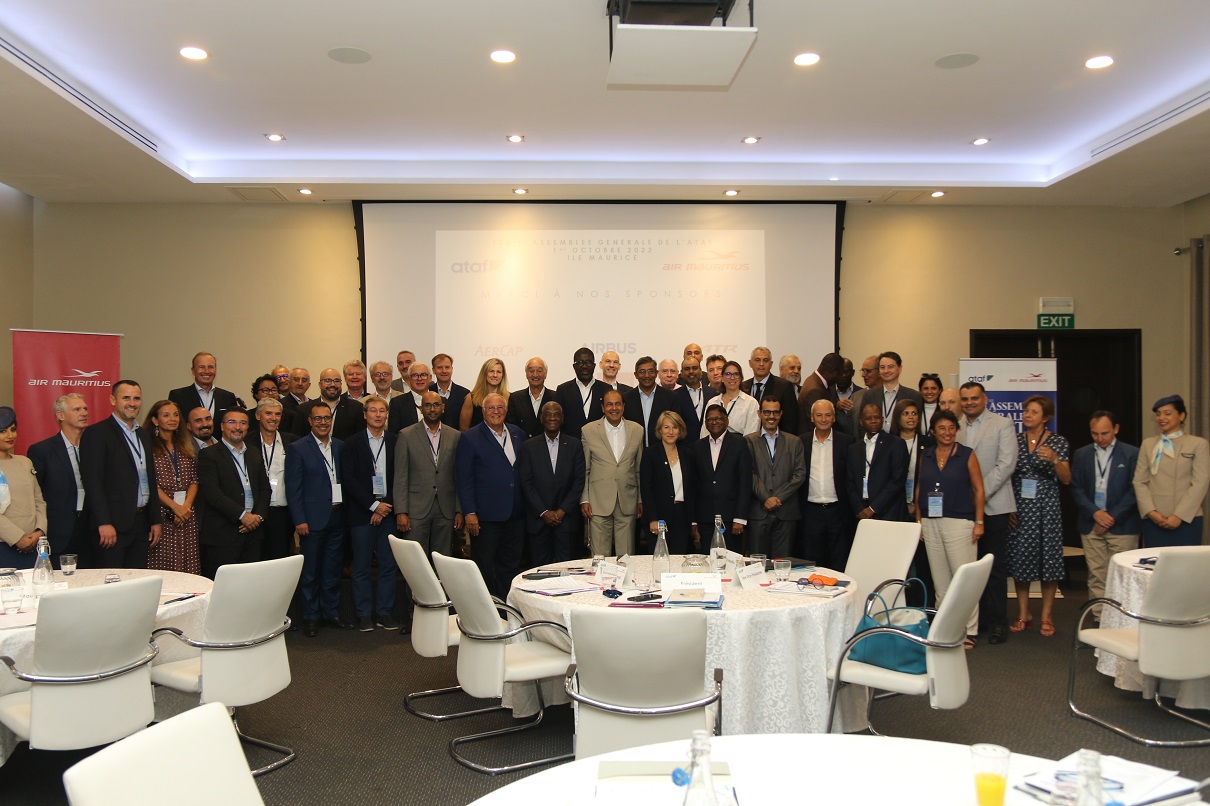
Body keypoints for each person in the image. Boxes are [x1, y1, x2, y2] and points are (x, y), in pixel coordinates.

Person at [916, 409, 985, 649]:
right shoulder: (926, 455)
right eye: (942, 428)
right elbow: (919, 486)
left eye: (951, 428)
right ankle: (945, 629)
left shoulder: (967, 454)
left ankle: (970, 630)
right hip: (930, 523)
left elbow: (978, 489)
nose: (947, 432)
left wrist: (979, 522)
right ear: (933, 431)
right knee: (941, 582)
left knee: (963, 579)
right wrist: (918, 520)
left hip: (960, 523)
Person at [957, 381, 1017, 645]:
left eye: (974, 398)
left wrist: (979, 493)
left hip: (994, 506)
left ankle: (998, 622)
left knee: (994, 568)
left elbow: (1006, 464)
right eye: (965, 399)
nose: (969, 403)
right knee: (970, 567)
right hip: (963, 508)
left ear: (985, 399)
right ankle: (976, 620)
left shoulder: (1002, 424)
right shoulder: (955, 426)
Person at [286, 401, 352, 637]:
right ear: (310, 421)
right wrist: (299, 520)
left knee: (332, 569)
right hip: (311, 520)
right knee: (311, 571)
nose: (323, 422)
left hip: (338, 516)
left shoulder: (341, 446)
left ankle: (330, 613)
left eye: (327, 418)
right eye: (318, 418)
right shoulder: (298, 448)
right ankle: (311, 616)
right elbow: (293, 488)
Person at [1007, 395, 1070, 637]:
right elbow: (1008, 476)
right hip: (1020, 507)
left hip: (1047, 508)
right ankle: (1024, 613)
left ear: (1046, 417)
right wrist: (1010, 507)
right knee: (1021, 560)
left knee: (1049, 561)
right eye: (1026, 411)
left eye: (1033, 412)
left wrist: (1055, 460)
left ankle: (1047, 615)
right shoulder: (1015, 440)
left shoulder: (1058, 442)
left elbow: (1066, 478)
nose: (1027, 415)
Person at [1070, 410, 1140, 619]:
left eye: (1105, 433)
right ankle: (1100, 619)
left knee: (1123, 576)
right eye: (1095, 434)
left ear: (1116, 429)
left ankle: (1122, 620)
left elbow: (1135, 489)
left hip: (1123, 525)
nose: (1100, 438)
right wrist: (1096, 513)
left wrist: (1111, 517)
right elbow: (1076, 487)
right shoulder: (1082, 454)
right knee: (1097, 575)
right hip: (1091, 524)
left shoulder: (1132, 453)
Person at [456, 393, 527, 597]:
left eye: (499, 408)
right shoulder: (470, 437)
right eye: (491, 408)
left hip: (516, 514)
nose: (496, 412)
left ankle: (506, 607)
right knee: (484, 567)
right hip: (485, 517)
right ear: (483, 412)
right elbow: (464, 479)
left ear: (506, 410)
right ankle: (486, 609)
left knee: (510, 566)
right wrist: (470, 512)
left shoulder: (518, 434)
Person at [342, 397, 399, 631]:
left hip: (389, 512)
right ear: (365, 415)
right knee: (362, 566)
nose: (377, 415)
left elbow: (401, 477)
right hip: (361, 513)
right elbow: (349, 480)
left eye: (382, 411)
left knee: (388, 565)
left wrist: (385, 506)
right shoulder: (351, 443)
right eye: (373, 410)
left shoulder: (395, 441)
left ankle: (384, 612)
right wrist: (373, 506)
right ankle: (364, 614)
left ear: (386, 415)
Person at [197, 407, 269, 579]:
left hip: (253, 533)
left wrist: (257, 517)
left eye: (243, 423)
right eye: (232, 422)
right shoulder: (208, 455)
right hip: (223, 535)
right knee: (223, 586)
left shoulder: (254, 452)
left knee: (250, 584)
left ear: (248, 427)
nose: (237, 427)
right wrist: (242, 516)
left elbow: (265, 489)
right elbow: (213, 494)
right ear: (222, 426)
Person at [1134, 394, 1210, 548]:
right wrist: (1151, 512)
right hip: (1154, 520)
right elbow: (1139, 482)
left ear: (1181, 416)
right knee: (1154, 562)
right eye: (1158, 414)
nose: (1161, 418)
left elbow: (1200, 483)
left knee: (1186, 562)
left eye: (1167, 413)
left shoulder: (1197, 444)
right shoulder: (1148, 444)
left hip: (1188, 518)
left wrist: (1179, 516)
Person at [394, 391, 463, 561]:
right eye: (427, 405)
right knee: (415, 561)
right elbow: (400, 476)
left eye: (436, 405)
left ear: (443, 408)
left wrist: (459, 509)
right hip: (416, 509)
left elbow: (459, 476)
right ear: (420, 408)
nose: (432, 409)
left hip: (446, 508)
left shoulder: (455, 436)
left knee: (443, 560)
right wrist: (401, 511)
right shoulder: (406, 435)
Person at [519, 402, 585, 565]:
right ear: (541, 418)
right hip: (538, 520)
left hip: (566, 520)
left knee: (567, 569)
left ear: (562, 418)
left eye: (556, 414)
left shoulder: (575, 445)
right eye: (548, 414)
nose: (552, 418)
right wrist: (543, 511)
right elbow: (526, 483)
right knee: (540, 570)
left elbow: (579, 481)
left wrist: (562, 510)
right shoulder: (528, 446)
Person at [27, 393, 90, 566]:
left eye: (85, 408)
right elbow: (36, 495)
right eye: (77, 409)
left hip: (91, 531)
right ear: (60, 415)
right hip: (59, 532)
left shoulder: (95, 447)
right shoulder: (42, 451)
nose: (84, 413)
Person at [581, 389, 644, 556]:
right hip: (598, 501)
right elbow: (585, 469)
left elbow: (638, 469)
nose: (614, 408)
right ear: (603, 408)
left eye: (618, 404)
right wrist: (585, 499)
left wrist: (640, 499)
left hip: (628, 500)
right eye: (609, 404)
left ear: (623, 406)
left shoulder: (637, 430)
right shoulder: (588, 430)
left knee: (626, 558)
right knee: (600, 558)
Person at [144, 400, 200, 574]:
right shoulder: (147, 446)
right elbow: (150, 483)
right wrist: (175, 507)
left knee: (188, 567)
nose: (172, 419)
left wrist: (185, 507)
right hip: (162, 514)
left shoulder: (185, 444)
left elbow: (194, 480)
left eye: (176, 415)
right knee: (163, 566)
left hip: (186, 515)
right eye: (166, 415)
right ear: (155, 420)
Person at [745, 399, 806, 558]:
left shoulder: (794, 442)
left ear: (781, 414)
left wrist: (777, 498)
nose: (771, 416)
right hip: (759, 512)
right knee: (757, 565)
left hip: (786, 512)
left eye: (775, 412)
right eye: (767, 412)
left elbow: (799, 474)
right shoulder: (748, 441)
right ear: (759, 414)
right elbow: (748, 473)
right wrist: (766, 498)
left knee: (782, 564)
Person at [800, 399, 854, 569]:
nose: (823, 419)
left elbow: (851, 477)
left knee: (839, 559)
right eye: (819, 415)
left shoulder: (847, 442)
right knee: (811, 560)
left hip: (838, 511)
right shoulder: (801, 442)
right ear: (812, 418)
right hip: (810, 511)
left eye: (828, 415)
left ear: (834, 418)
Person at [693, 403, 752, 553]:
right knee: (708, 559)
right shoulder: (698, 446)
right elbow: (694, 484)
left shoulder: (739, 443)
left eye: (718, 418)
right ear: (705, 423)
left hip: (731, 518)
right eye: (710, 419)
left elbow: (745, 482)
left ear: (726, 421)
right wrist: (694, 520)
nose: (714, 422)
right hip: (705, 518)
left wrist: (740, 518)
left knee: (732, 561)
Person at [640, 411, 696, 554]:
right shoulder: (650, 454)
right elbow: (646, 489)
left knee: (679, 558)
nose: (671, 432)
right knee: (660, 559)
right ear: (659, 430)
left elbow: (692, 488)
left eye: (675, 427)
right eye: (666, 427)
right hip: (658, 517)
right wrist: (653, 518)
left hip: (682, 516)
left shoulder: (688, 454)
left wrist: (693, 520)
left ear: (680, 430)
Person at [0, 406, 48, 569]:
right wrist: (17, 538)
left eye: (13, 430)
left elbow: (39, 501)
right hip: (4, 546)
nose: (10, 435)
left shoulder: (24, 462)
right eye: (3, 431)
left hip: (34, 544)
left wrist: (39, 531)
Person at [846, 402, 909, 523]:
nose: (873, 421)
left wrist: (873, 509)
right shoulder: (854, 448)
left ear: (882, 419)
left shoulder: (896, 444)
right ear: (861, 422)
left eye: (877, 417)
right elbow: (850, 482)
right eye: (868, 418)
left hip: (889, 512)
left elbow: (897, 480)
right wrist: (859, 509)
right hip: (862, 513)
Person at [254, 396, 297, 562]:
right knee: (257, 559)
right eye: (268, 413)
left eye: (277, 414)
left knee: (280, 559)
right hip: (256, 512)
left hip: (283, 512)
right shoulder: (247, 442)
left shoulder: (293, 442)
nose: (273, 418)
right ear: (258, 416)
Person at [742, 346, 800, 436]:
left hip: (775, 440)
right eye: (757, 360)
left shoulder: (784, 386)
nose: (761, 364)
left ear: (771, 364)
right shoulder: (743, 387)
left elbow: (791, 422)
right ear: (750, 363)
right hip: (747, 440)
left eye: (765, 360)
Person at [294, 368, 364, 441]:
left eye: (336, 381)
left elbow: (360, 439)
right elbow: (297, 441)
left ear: (341, 384)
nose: (333, 384)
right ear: (320, 384)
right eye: (328, 380)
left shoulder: (356, 408)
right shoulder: (303, 410)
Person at [623, 356, 677, 447]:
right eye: (642, 372)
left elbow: (676, 426)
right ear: (635, 375)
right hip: (635, 451)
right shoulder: (626, 398)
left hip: (662, 450)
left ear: (656, 373)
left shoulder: (671, 397)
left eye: (650, 371)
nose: (647, 375)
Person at [557, 347, 611, 438]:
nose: (584, 366)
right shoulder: (563, 390)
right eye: (580, 363)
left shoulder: (606, 389)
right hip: (571, 443)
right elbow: (559, 421)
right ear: (574, 366)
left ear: (594, 366)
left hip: (600, 442)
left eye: (588, 362)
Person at [168, 352, 239, 421]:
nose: (206, 371)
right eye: (201, 367)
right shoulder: (178, 396)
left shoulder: (228, 398)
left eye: (210, 367)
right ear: (193, 371)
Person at [796, 352, 844, 437]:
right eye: (839, 374)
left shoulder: (814, 380)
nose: (840, 378)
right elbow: (819, 423)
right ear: (833, 371)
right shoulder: (815, 390)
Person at [507, 356, 557, 438]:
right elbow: (511, 427)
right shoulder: (515, 398)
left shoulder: (556, 397)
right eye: (531, 371)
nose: (535, 374)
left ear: (545, 374)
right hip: (523, 444)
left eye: (539, 371)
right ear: (526, 374)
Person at [708, 360, 759, 438]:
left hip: (741, 444)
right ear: (722, 378)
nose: (732, 378)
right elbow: (705, 432)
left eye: (736, 374)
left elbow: (752, 435)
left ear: (741, 378)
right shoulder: (712, 402)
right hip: (714, 444)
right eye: (728, 374)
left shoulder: (751, 403)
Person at [674, 356, 718, 439]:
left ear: (701, 371)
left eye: (694, 368)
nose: (691, 371)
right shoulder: (674, 396)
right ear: (681, 373)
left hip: (710, 443)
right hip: (685, 445)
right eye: (687, 369)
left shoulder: (714, 393)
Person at [459, 358, 509, 432]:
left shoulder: (510, 398)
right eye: (491, 371)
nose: (495, 375)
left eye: (498, 372)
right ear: (484, 374)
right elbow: (463, 428)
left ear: (502, 375)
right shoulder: (471, 398)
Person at [389, 362, 433, 434]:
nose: (419, 379)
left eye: (423, 375)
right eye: (415, 375)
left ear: (430, 378)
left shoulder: (441, 401)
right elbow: (394, 434)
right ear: (409, 379)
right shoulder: (397, 403)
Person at [430, 353, 470, 430]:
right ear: (433, 370)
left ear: (452, 369)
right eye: (439, 367)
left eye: (447, 367)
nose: (444, 371)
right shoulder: (428, 392)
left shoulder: (465, 394)